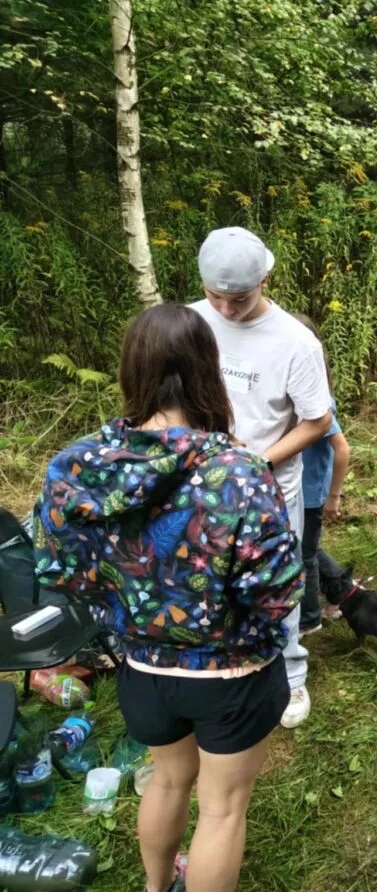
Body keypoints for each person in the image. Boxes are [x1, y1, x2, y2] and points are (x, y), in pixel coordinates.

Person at [32, 304, 302, 892]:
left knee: (167, 780)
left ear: (132, 371)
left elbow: (60, 567)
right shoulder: (237, 472)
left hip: (142, 667)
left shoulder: (78, 467)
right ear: (209, 369)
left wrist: (124, 602)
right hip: (232, 672)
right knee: (223, 808)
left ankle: (156, 887)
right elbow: (277, 590)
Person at [190, 226, 332, 729]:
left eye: (240, 299)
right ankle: (223, 662)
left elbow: (316, 421)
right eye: (217, 298)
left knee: (278, 580)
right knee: (209, 576)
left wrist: (260, 461)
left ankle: (291, 674)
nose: (227, 310)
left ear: (265, 279)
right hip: (200, 481)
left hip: (270, 487)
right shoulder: (190, 323)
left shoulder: (295, 341)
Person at [293, 313, 350, 633]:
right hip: (293, 489)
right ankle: (342, 590)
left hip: (311, 494)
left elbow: (342, 448)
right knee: (306, 547)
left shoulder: (318, 399)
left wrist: (333, 498)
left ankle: (310, 619)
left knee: (305, 557)